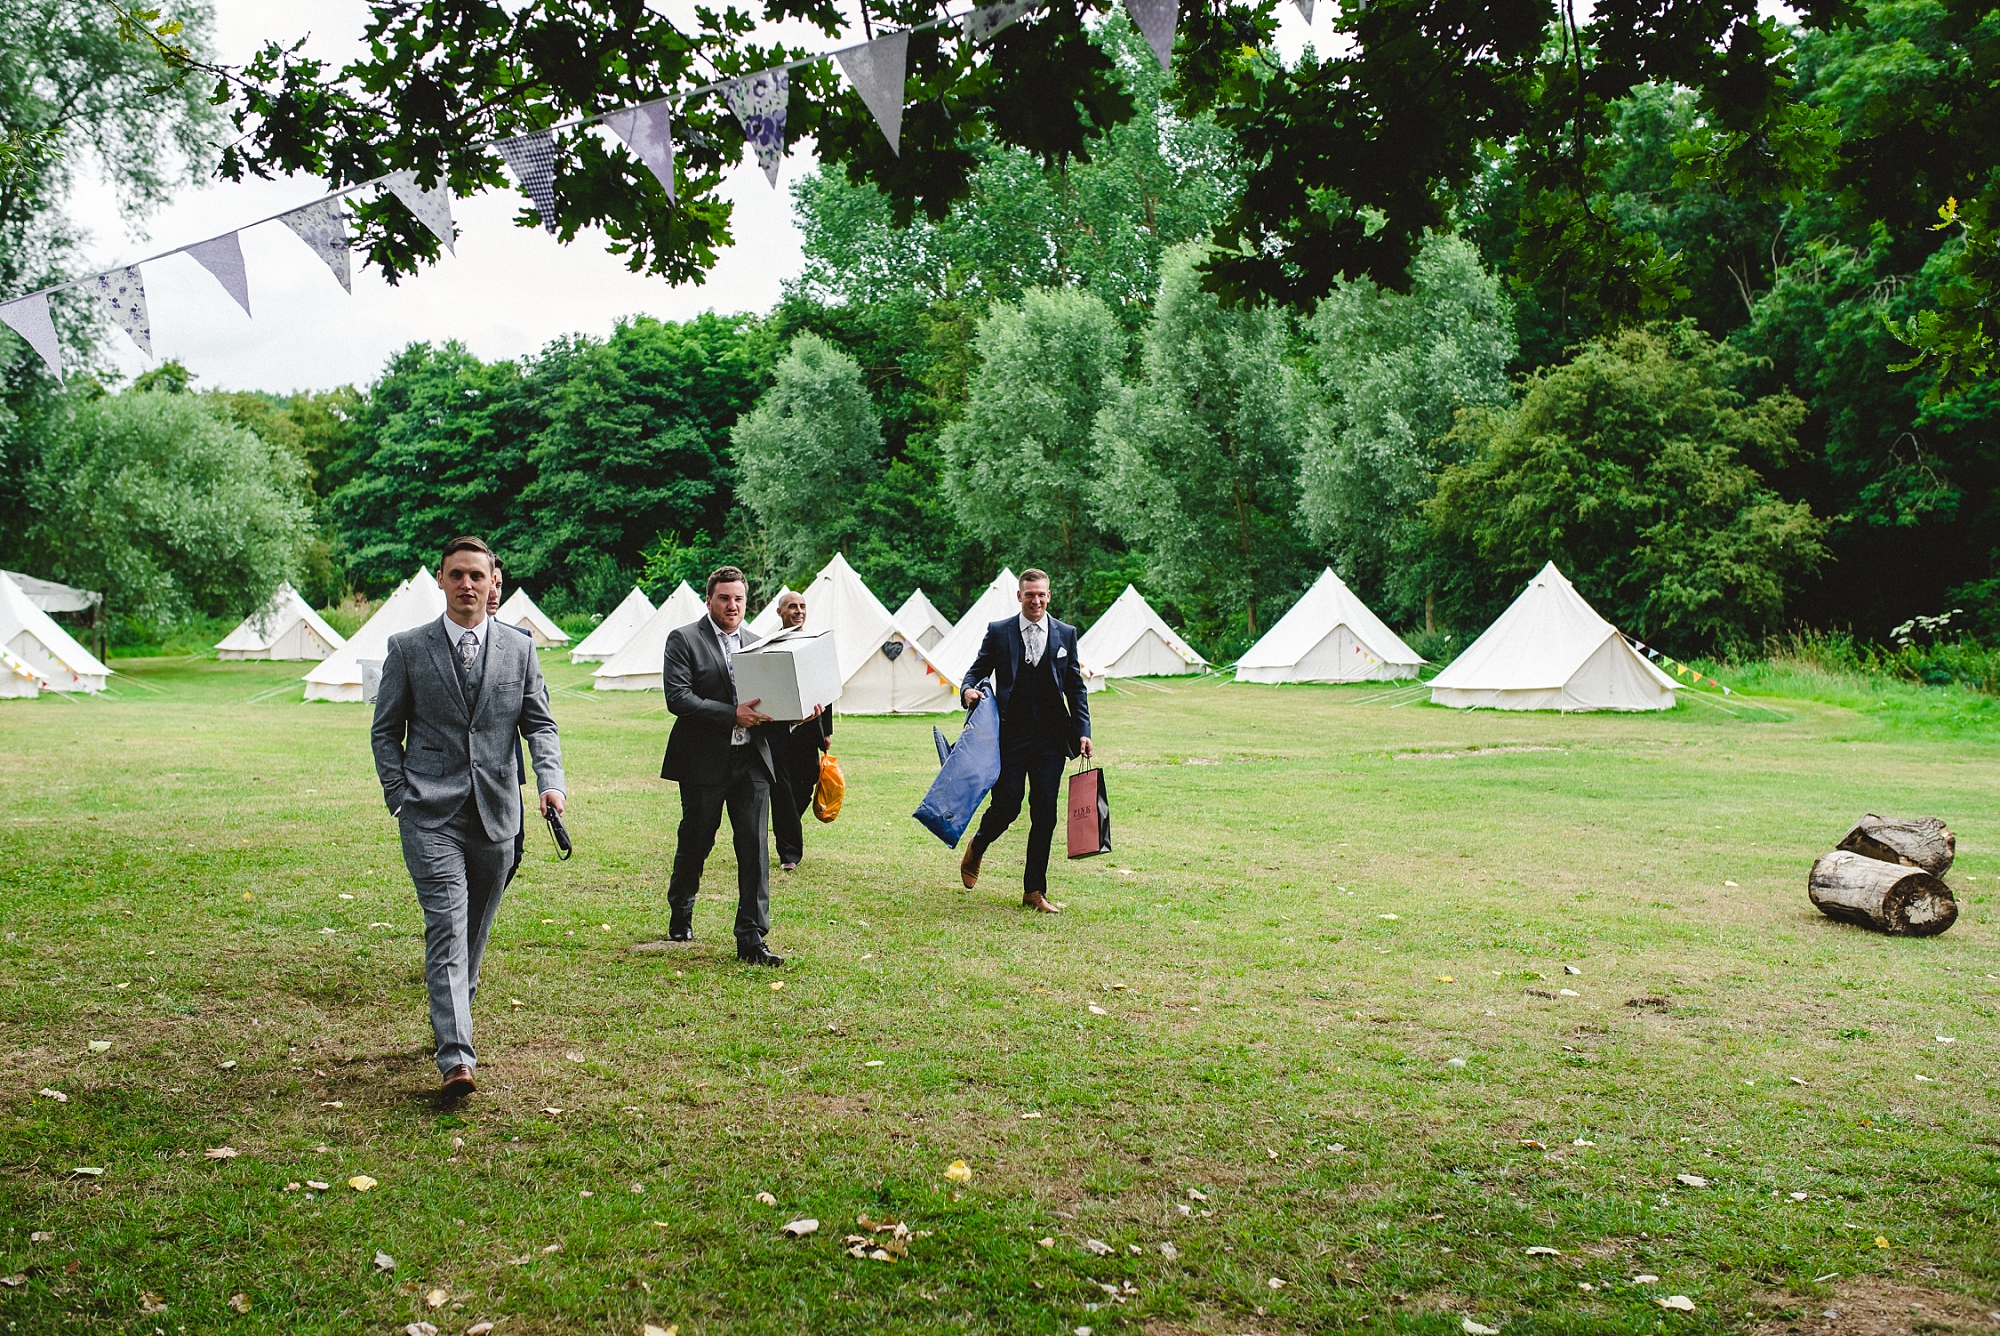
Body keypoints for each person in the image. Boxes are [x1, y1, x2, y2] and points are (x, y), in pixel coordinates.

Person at [371, 536, 565, 1097]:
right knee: (447, 927)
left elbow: (540, 725)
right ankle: (457, 1055)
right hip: (428, 812)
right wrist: (399, 794)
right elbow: (386, 730)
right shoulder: (408, 647)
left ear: (490, 582)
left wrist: (550, 784)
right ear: (440, 579)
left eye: (476, 576)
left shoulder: (520, 648)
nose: (467, 586)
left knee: (473, 935)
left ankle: (453, 1005)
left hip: (497, 812)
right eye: (456, 575)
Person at [660, 566, 785, 965]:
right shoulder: (684, 639)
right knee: (697, 839)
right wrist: (732, 713)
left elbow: (772, 701)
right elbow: (678, 698)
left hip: (751, 760)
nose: (733, 606)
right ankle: (681, 907)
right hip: (703, 761)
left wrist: (799, 712)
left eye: (739, 599)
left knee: (754, 847)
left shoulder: (758, 643)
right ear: (709, 599)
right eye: (725, 598)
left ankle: (752, 937)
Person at [957, 568, 1092, 913]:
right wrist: (969, 690)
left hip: (1050, 739)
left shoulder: (1066, 633)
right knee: (1007, 806)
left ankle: (1034, 891)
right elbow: (976, 672)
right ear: (1019, 596)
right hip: (1010, 737)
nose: (1035, 600)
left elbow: (1075, 687)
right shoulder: (999, 632)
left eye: (1041, 595)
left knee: (1045, 813)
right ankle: (978, 845)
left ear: (1049, 596)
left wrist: (1083, 732)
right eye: (1029, 594)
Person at [764, 590, 833, 872]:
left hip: (809, 731)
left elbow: (827, 687)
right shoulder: (769, 645)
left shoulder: (815, 644)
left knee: (805, 787)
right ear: (780, 612)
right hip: (778, 731)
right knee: (781, 791)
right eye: (792, 606)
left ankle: (787, 825)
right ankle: (789, 853)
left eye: (803, 606)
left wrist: (826, 730)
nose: (799, 610)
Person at [487, 562, 541, 886]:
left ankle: (473, 920)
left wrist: (549, 781)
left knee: (512, 852)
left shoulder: (521, 642)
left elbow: (538, 716)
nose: (494, 592)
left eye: (499, 583)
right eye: (486, 581)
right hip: (450, 776)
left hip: (505, 771)